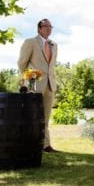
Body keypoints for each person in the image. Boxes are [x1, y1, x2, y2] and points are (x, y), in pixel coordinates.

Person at [17, 18, 59, 153]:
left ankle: (46, 145)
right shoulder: (30, 42)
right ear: (39, 28)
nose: (49, 28)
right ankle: (31, 144)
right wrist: (24, 80)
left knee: (45, 117)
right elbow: (21, 63)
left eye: (50, 26)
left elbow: (51, 65)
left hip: (50, 85)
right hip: (34, 84)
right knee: (32, 116)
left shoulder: (54, 45)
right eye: (46, 26)